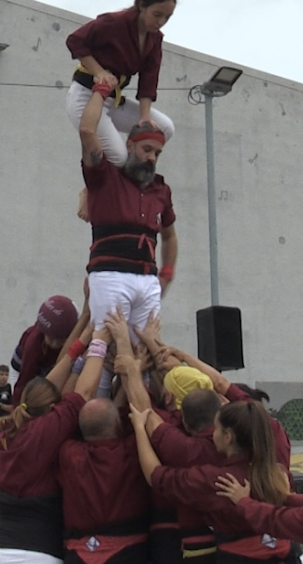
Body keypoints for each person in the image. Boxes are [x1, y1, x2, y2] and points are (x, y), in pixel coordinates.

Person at [0, 308, 101, 564]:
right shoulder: (49, 430)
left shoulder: (7, 430)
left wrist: (83, 334)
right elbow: (85, 390)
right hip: (35, 556)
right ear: (50, 409)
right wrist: (98, 340)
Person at [77, 77, 178, 398]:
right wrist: (101, 90)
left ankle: (141, 423)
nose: (152, 157)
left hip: (147, 281)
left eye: (158, 153)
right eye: (147, 149)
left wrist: (167, 273)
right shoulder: (105, 176)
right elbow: (88, 131)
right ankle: (97, 420)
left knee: (145, 358)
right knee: (104, 351)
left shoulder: (161, 189)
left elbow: (170, 235)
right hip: (110, 275)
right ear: (130, 146)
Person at [131, 397, 301, 564]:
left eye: (216, 428)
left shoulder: (221, 481)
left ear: (228, 437)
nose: (212, 433)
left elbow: (156, 476)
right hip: (288, 560)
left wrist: (139, 428)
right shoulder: (278, 474)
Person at [66, 0, 178, 221]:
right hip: (86, 96)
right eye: (157, 14)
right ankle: (90, 187)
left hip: (113, 100)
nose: (161, 22)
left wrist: (145, 119)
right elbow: (75, 41)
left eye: (167, 17)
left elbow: (148, 81)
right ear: (141, 6)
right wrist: (98, 71)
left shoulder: (154, 39)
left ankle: (129, 174)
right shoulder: (113, 23)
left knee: (165, 128)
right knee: (117, 157)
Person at [58, 397, 151, 564]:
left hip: (77, 556)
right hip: (128, 554)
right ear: (118, 423)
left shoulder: (68, 454)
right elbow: (145, 414)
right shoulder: (133, 449)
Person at [12, 295, 79, 402]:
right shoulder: (33, 343)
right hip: (22, 369)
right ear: (44, 332)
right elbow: (23, 381)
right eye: (51, 338)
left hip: (48, 368)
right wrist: (17, 409)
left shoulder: (74, 338)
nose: (54, 344)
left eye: (61, 341)